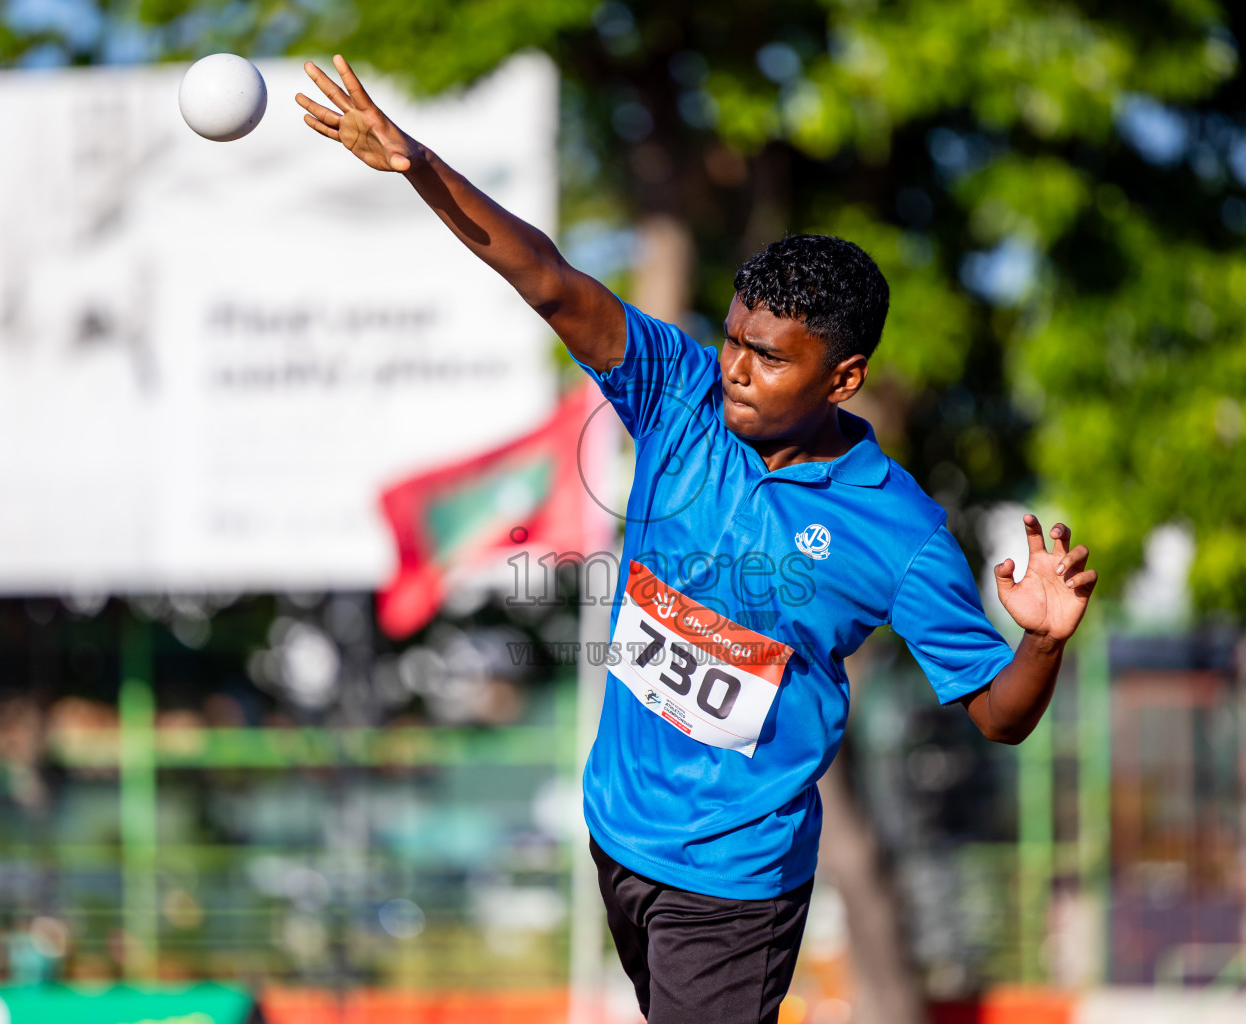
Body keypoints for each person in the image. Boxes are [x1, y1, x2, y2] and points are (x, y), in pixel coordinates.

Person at [297, 56, 1098, 1024]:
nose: (737, 370)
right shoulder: (681, 395)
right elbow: (549, 279)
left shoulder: (904, 533)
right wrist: (418, 163)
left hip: (735, 876)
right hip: (619, 833)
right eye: (733, 338)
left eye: (769, 357)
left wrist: (1045, 641)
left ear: (843, 378)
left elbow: (996, 716)